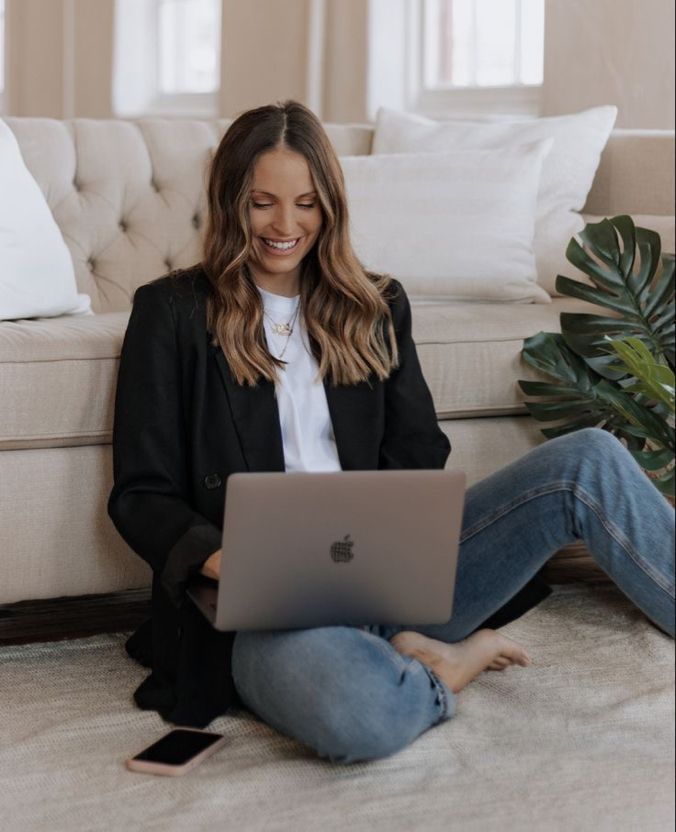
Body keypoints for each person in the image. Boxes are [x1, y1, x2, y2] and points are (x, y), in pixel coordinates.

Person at [108, 99, 675, 764]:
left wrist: (390, 541)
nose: (284, 225)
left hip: (387, 574)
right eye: (262, 202)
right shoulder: (170, 314)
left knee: (591, 459)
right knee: (362, 711)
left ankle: (397, 637)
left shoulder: (377, 306)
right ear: (230, 199)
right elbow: (141, 494)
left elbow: (418, 451)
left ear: (332, 206)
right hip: (269, 607)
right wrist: (232, 565)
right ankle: (438, 670)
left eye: (307, 203)